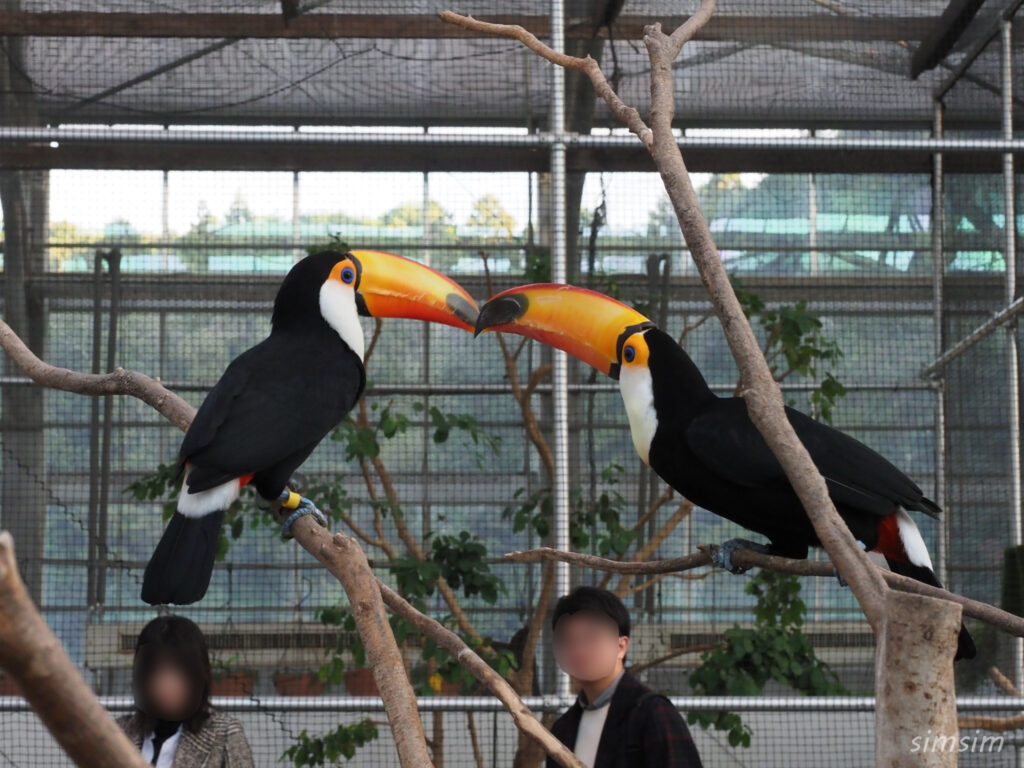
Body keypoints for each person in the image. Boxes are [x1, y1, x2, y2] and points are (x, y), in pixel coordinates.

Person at [545, 586, 704, 768]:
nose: (579, 650)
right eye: (568, 640)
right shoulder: (563, 729)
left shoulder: (652, 714)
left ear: (621, 647)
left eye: (590, 638)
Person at [117, 615, 254, 768]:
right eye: (158, 671)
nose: (166, 684)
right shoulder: (118, 733)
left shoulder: (224, 735)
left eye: (178, 672)